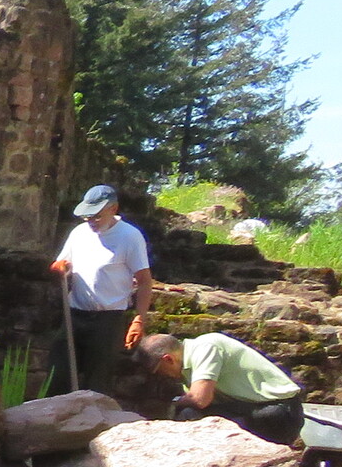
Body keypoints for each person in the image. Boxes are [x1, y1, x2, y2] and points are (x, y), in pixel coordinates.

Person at [46, 184, 154, 396]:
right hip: (74, 314)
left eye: (96, 216)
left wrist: (139, 319)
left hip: (107, 320)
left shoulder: (129, 236)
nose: (91, 221)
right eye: (87, 216)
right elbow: (62, 263)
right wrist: (61, 267)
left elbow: (144, 281)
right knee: (58, 375)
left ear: (113, 209)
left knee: (97, 383)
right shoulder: (79, 233)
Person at [135, 331, 305, 445]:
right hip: (249, 409)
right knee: (188, 415)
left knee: (189, 414)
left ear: (168, 359)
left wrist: (172, 403)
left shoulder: (206, 346)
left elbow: (199, 399)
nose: (162, 376)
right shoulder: (186, 368)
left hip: (277, 413)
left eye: (159, 371)